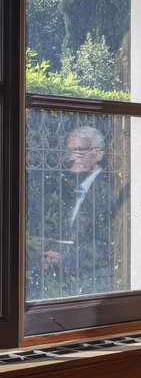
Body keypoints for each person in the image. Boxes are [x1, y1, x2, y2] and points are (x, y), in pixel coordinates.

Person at [27, 123, 128, 300]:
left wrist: (64, 259)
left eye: (79, 150)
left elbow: (107, 243)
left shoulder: (106, 189)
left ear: (98, 154)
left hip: (97, 285)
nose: (71, 157)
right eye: (69, 151)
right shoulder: (76, 189)